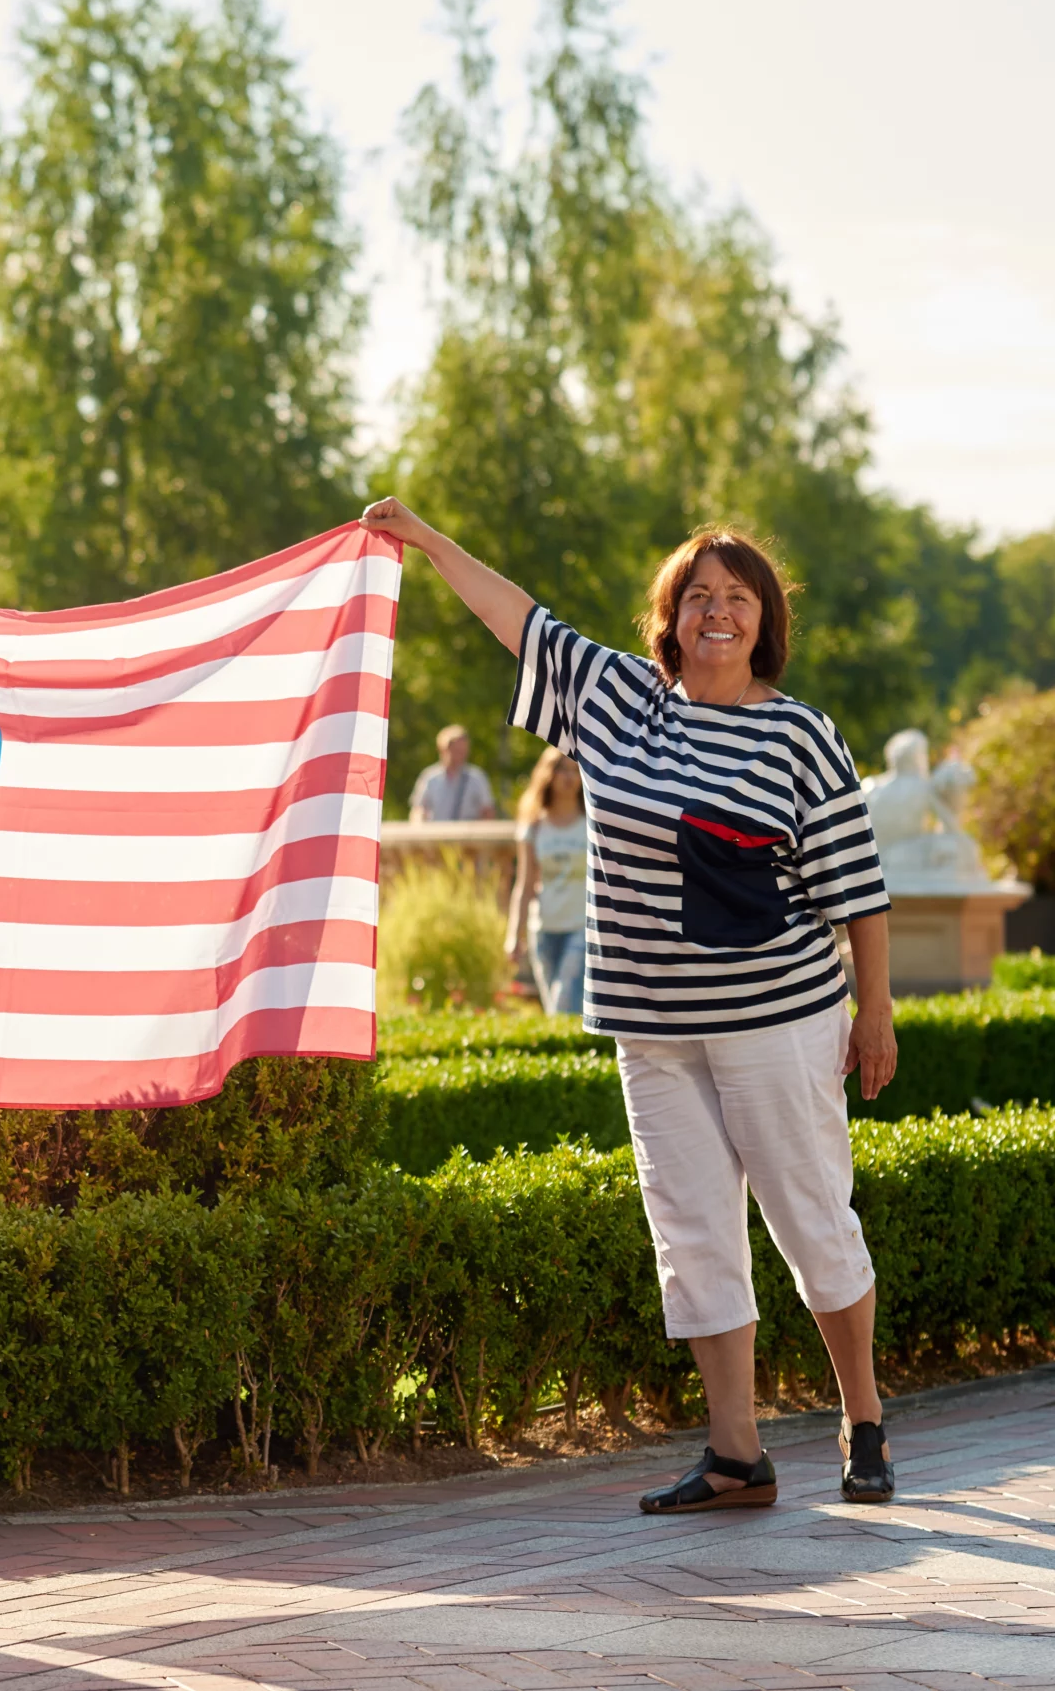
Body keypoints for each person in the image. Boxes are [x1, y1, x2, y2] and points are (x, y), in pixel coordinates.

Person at [360, 499, 900, 1512]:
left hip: (778, 1020)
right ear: (669, 614)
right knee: (690, 1231)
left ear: (765, 620)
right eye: (697, 595)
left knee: (812, 1220)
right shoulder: (616, 700)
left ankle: (861, 1415)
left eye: (737, 597)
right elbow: (521, 619)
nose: (716, 612)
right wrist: (429, 540)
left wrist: (875, 1011)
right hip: (650, 1029)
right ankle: (735, 1453)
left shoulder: (799, 735)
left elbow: (856, 889)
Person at [507, 749, 587, 1017]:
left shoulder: (591, 823)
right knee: (555, 1009)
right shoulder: (534, 827)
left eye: (574, 770)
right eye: (562, 769)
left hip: (581, 928)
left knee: (565, 1000)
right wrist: (513, 935)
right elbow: (525, 885)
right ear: (548, 775)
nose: (569, 777)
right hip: (543, 929)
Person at [409, 723, 499, 822]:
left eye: (463, 750)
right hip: (437, 835)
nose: (460, 755)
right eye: (455, 750)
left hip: (469, 835)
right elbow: (418, 810)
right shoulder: (429, 777)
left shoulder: (477, 777)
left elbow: (488, 812)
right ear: (442, 749)